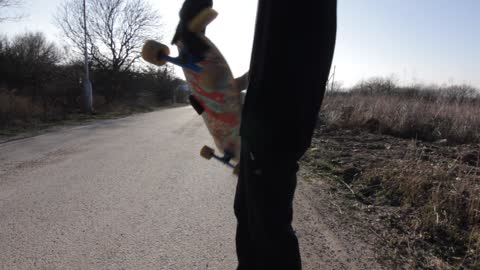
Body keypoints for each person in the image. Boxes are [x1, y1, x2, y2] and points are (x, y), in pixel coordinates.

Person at [174, 1, 337, 269]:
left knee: (266, 223)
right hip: (269, 112)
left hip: (277, 114)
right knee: (250, 213)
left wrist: (191, 14)